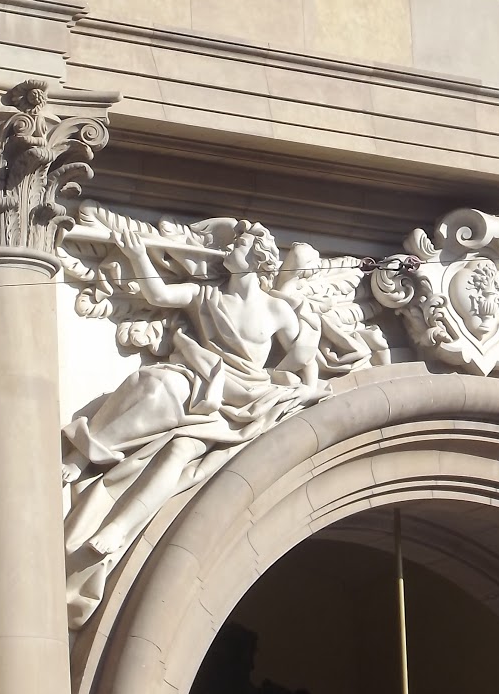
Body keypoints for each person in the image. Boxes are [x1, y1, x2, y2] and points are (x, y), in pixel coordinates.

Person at [62, 220, 325, 627]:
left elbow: (305, 355)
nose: (229, 251)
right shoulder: (206, 294)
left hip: (245, 398)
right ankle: (85, 453)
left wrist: (306, 388)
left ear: (256, 259)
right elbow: (159, 294)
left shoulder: (276, 310)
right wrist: (137, 255)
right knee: (151, 385)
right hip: (204, 379)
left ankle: (119, 528)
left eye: (238, 246)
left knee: (180, 451)